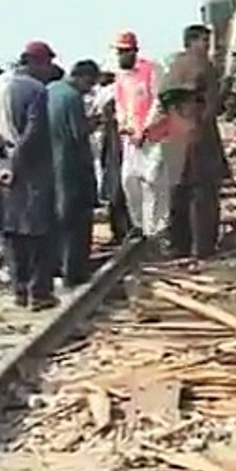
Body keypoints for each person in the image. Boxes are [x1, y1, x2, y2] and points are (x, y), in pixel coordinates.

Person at [0, 41, 58, 310]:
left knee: (13, 233)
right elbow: (35, 131)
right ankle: (39, 294)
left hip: (4, 171)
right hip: (32, 172)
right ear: (37, 62)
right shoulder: (36, 90)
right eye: (47, 63)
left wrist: (3, 161)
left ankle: (19, 290)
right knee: (39, 234)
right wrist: (16, 164)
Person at [166, 24, 231, 259]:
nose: (208, 46)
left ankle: (177, 246)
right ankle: (202, 248)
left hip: (175, 137)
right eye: (205, 40)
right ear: (193, 41)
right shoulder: (204, 66)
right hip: (200, 137)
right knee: (203, 195)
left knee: (178, 193)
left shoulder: (173, 66)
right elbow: (214, 107)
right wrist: (227, 86)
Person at [111, 30, 173, 249]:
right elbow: (120, 104)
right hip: (130, 140)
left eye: (124, 51)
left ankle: (156, 231)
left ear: (134, 51)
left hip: (153, 138)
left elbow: (159, 102)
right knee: (130, 182)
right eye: (118, 52)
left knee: (154, 184)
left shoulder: (152, 70)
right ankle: (140, 226)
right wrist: (124, 124)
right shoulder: (120, 76)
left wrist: (144, 130)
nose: (121, 56)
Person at [47, 60, 99, 288]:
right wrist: (95, 123)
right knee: (76, 219)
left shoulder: (49, 91)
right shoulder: (72, 97)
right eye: (91, 83)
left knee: (56, 218)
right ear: (83, 77)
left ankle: (56, 267)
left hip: (49, 164)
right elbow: (78, 133)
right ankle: (74, 271)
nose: (91, 88)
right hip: (72, 166)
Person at [90, 71, 130, 245]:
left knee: (118, 194)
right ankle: (122, 232)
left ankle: (123, 232)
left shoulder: (108, 95)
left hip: (118, 155)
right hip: (115, 155)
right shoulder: (111, 94)